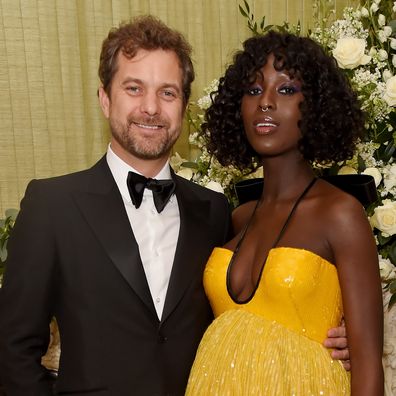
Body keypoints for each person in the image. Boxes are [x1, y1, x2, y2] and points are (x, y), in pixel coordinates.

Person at [0, 17, 349, 396]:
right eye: (134, 88)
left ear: (183, 106)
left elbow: (251, 311)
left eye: (167, 93)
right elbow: (13, 350)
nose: (150, 108)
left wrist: (334, 336)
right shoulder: (52, 205)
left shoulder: (216, 211)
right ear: (105, 98)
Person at [186, 31, 383, 395]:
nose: (266, 103)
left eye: (287, 90)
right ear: (237, 107)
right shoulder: (238, 218)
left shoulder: (340, 213)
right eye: (254, 90)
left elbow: (368, 366)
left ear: (317, 107)